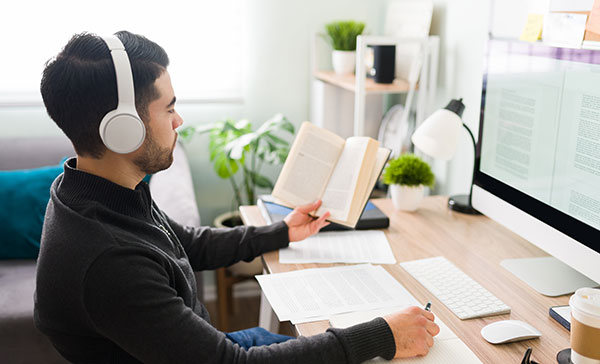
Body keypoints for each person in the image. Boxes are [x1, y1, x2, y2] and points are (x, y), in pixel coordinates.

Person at [34, 30, 439, 364]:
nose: (179, 121)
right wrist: (380, 336)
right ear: (122, 129)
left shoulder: (96, 188)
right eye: (168, 108)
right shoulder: (107, 261)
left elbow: (185, 244)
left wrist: (281, 232)